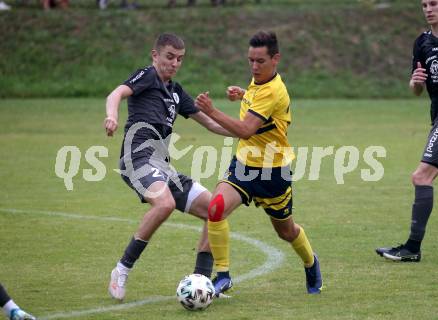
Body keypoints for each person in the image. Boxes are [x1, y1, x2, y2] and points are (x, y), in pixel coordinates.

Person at [104, 33, 233, 301]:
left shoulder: (175, 92)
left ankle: (201, 282)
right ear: (155, 55)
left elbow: (210, 123)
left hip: (162, 167)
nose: (174, 63)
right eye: (169, 57)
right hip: (135, 159)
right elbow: (116, 93)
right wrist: (112, 116)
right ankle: (122, 269)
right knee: (164, 204)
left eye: (179, 59)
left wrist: (245, 132)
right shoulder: (147, 76)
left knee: (215, 211)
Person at [195, 31, 323, 296]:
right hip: (243, 165)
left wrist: (211, 110)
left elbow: (245, 130)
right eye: (250, 60)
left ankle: (311, 262)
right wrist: (243, 95)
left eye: (260, 61)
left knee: (286, 232)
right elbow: (259, 108)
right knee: (216, 208)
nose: (254, 66)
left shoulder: (273, 90)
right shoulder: (260, 81)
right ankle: (223, 275)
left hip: (273, 172)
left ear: (276, 59)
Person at [376, 0, 438, 262]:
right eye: (424, 4)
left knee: (421, 176)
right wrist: (414, 83)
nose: (427, 8)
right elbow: (417, 89)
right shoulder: (422, 42)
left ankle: (412, 248)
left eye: (433, 3)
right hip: (436, 115)